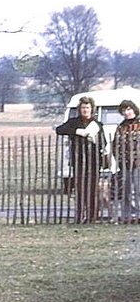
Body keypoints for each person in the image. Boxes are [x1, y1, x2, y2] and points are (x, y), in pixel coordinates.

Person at [56, 96, 107, 224]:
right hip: (78, 161)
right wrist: (77, 131)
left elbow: (103, 142)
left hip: (94, 162)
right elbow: (59, 130)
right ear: (80, 109)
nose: (85, 110)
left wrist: (95, 140)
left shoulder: (97, 124)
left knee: (92, 190)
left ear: (92, 109)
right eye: (83, 107)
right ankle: (79, 216)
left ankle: (92, 216)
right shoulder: (73, 122)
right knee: (80, 190)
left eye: (88, 107)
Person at [112, 99, 140, 223]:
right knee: (126, 190)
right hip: (125, 163)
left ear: (133, 109)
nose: (126, 112)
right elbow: (115, 144)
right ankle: (128, 214)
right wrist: (118, 159)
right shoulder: (121, 127)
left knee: (138, 189)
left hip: (138, 162)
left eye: (128, 109)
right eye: (124, 110)